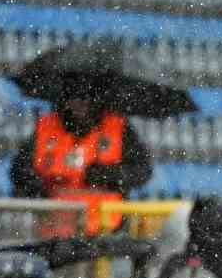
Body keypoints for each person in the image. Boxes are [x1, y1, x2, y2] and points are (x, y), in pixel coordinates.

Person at [9, 78, 152, 201]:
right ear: (65, 100)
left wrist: (108, 175)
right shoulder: (47, 127)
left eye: (88, 98)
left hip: (107, 221)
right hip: (55, 219)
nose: (82, 105)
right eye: (75, 97)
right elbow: (19, 171)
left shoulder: (117, 127)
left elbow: (142, 171)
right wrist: (42, 185)